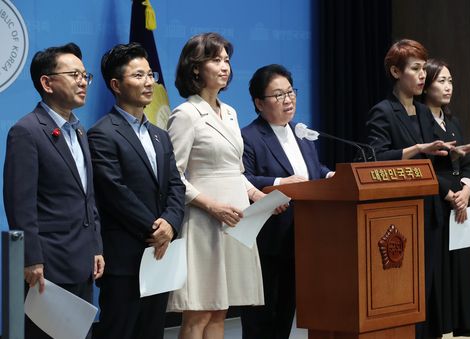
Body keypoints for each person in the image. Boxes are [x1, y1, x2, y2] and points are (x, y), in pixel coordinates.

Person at [167, 32, 277, 339]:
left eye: (226, 60)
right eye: (216, 59)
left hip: (236, 219)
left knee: (220, 310)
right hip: (203, 220)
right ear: (195, 68)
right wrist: (211, 206)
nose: (224, 66)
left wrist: (259, 195)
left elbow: (234, 171)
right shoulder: (186, 114)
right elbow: (172, 176)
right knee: (199, 313)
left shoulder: (230, 112)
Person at [3, 42, 104, 339]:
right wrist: (31, 258)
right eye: (74, 74)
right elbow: (20, 203)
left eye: (86, 75)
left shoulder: (79, 130)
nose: (83, 81)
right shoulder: (26, 131)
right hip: (49, 265)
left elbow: (88, 196)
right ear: (47, 83)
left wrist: (96, 245)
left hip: (83, 260)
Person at [87, 43, 185, 339]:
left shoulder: (161, 134)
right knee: (120, 331)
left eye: (150, 74)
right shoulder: (102, 133)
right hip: (125, 259)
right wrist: (155, 228)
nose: (149, 82)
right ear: (116, 85)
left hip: (160, 255)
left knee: (153, 332)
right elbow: (114, 192)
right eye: (139, 75)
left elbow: (176, 186)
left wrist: (171, 222)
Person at [366, 39, 457, 339]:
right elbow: (374, 157)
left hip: (429, 212)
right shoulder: (383, 111)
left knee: (429, 290)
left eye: (423, 69)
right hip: (398, 215)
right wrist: (417, 148)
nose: (422, 76)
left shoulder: (422, 111)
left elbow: (434, 159)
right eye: (415, 69)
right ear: (395, 71)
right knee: (407, 291)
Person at [239, 64, 334, 339]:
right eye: (278, 95)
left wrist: (330, 174)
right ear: (259, 102)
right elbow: (241, 179)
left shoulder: (301, 133)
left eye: (291, 92)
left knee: (284, 317)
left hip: (302, 239)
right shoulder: (249, 137)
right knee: (261, 321)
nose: (288, 99)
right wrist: (280, 184)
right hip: (266, 240)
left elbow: (310, 171)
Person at [419, 59, 470, 337]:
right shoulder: (419, 122)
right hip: (436, 204)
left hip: (460, 207)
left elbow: (466, 164)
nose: (448, 87)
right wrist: (450, 194)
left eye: (450, 81)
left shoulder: (453, 121)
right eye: (441, 81)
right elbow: (424, 168)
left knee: (459, 273)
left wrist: (466, 191)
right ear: (426, 84)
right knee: (436, 276)